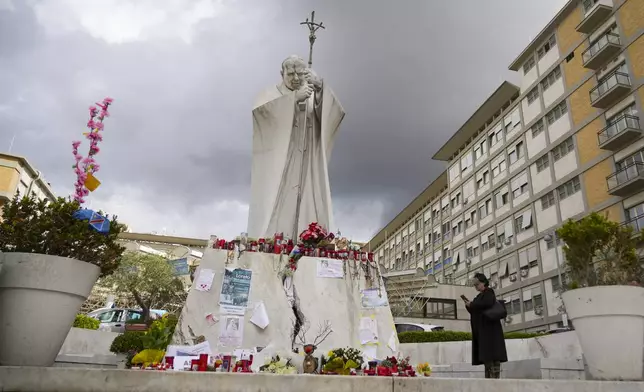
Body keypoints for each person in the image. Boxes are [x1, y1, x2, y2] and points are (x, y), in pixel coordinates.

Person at [463, 273, 507, 379]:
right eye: (475, 285)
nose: (476, 287)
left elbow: (486, 303)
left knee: (492, 357)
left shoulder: (489, 292)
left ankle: (493, 378)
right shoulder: (479, 296)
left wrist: (472, 304)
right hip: (483, 331)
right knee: (487, 359)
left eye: (477, 284)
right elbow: (477, 310)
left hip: (490, 331)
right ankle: (489, 377)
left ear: (483, 282)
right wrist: (469, 305)